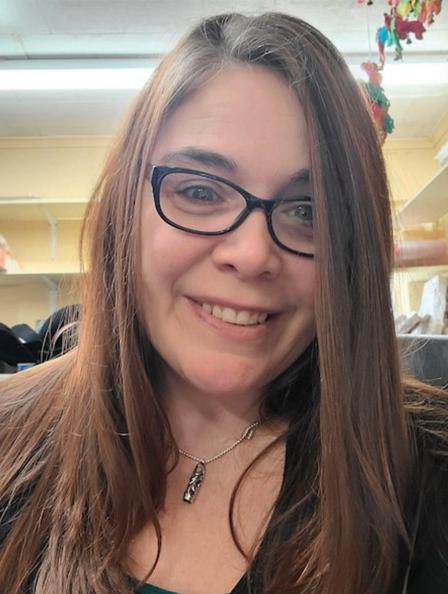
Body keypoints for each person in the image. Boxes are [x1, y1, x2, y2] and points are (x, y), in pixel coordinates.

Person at [0, 11, 447, 594]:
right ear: (124, 210)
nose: (253, 253)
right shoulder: (10, 438)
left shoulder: (427, 473)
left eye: (308, 210)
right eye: (199, 191)